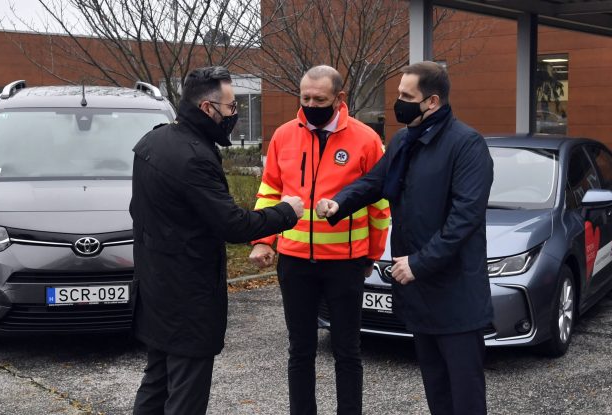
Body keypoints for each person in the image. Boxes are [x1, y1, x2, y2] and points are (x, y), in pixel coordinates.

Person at [316, 61, 493, 415]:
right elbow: (374, 181)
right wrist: (339, 203)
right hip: (419, 294)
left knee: (465, 397)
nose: (398, 103)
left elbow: (464, 220)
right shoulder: (404, 141)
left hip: (456, 296)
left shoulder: (467, 145)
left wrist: (418, 263)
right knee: (437, 390)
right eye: (399, 94)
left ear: (432, 102)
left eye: (406, 97)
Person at [130, 66, 304, 415]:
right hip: (188, 297)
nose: (234, 114)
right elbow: (233, 225)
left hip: (154, 287)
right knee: (186, 394)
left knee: (157, 381)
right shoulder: (194, 157)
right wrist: (287, 212)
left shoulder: (152, 141)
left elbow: (139, 210)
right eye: (231, 107)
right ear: (208, 108)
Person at [249, 65, 390, 415]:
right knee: (300, 350)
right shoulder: (284, 135)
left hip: (345, 263)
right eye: (306, 98)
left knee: (347, 351)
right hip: (295, 262)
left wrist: (371, 255)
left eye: (319, 99)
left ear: (339, 98)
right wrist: (263, 240)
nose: (311, 105)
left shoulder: (366, 139)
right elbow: (269, 192)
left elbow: (379, 203)